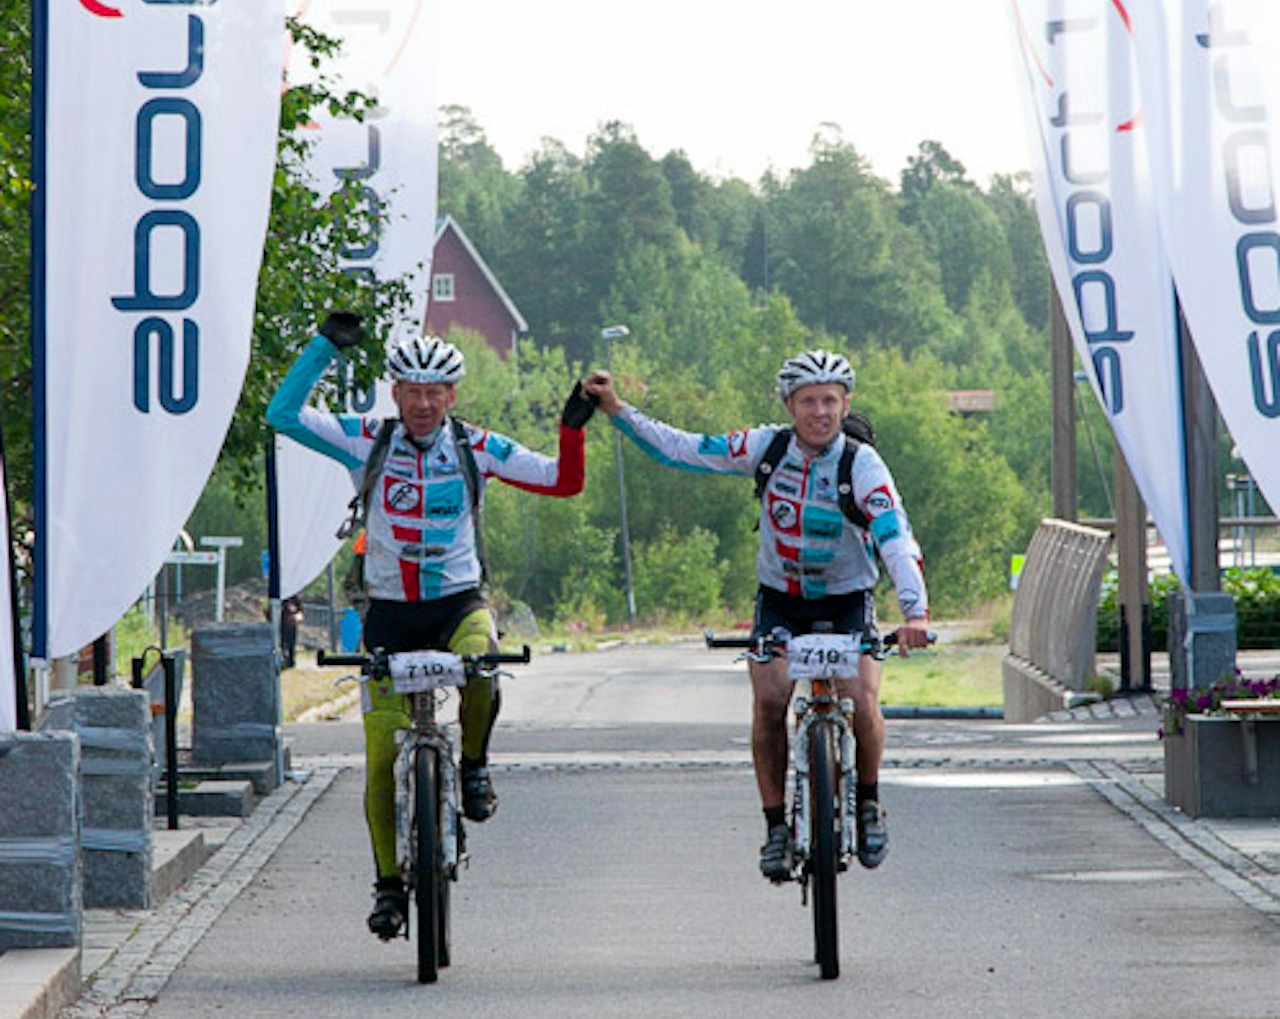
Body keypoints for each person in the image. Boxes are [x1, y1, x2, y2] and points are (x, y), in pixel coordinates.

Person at [268, 312, 596, 939]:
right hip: (387, 612)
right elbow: (282, 416)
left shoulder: (478, 447)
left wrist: (571, 428)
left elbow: (563, 480)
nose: (422, 403)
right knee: (376, 756)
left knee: (484, 665)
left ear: (452, 396)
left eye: (434, 393)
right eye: (411, 391)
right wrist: (322, 349)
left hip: (457, 603)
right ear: (394, 392)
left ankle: (473, 763)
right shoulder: (369, 437)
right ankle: (389, 885)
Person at [584, 349, 930, 880]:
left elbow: (894, 535)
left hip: (846, 599)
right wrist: (617, 411)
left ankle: (867, 802)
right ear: (789, 405)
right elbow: (683, 450)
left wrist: (915, 612)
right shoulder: (764, 447)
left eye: (831, 402)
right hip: (781, 600)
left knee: (861, 697)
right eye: (809, 402)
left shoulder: (861, 463)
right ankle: (775, 828)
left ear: (846, 404)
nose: (820, 413)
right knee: (769, 701)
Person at [279, 594, 303, 668]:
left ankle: (291, 661)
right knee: (283, 642)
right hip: (283, 623)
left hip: (292, 624)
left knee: (291, 643)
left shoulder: (295, 597)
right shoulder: (282, 596)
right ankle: (284, 659)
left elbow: (300, 609)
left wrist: (296, 614)